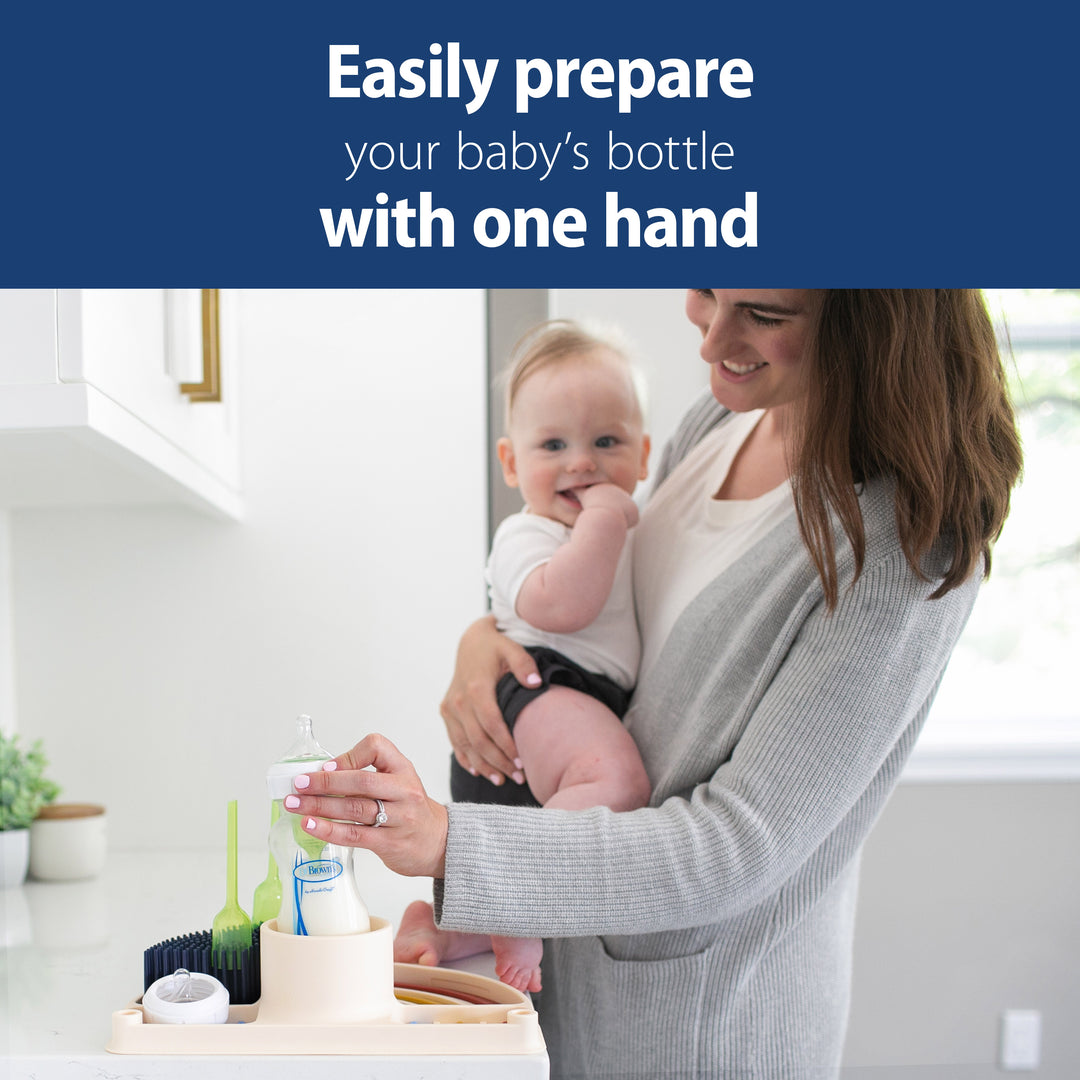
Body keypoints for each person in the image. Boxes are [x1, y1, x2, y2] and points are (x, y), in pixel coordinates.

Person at [283, 290, 1023, 1080]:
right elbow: (608, 604)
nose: (712, 342)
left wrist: (451, 844)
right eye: (708, 288)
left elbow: (737, 846)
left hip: (698, 1032)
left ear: (872, 318)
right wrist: (485, 641)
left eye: (765, 316)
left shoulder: (902, 548)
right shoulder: (722, 422)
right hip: (568, 981)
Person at [439, 319, 653, 991]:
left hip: (568, 707)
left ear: (643, 456)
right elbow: (562, 607)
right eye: (553, 444)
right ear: (511, 462)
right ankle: (516, 897)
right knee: (617, 783)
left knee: (597, 785)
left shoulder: (623, 531)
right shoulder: (525, 533)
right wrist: (602, 521)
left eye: (606, 441)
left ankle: (440, 924)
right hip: (542, 686)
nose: (581, 462)